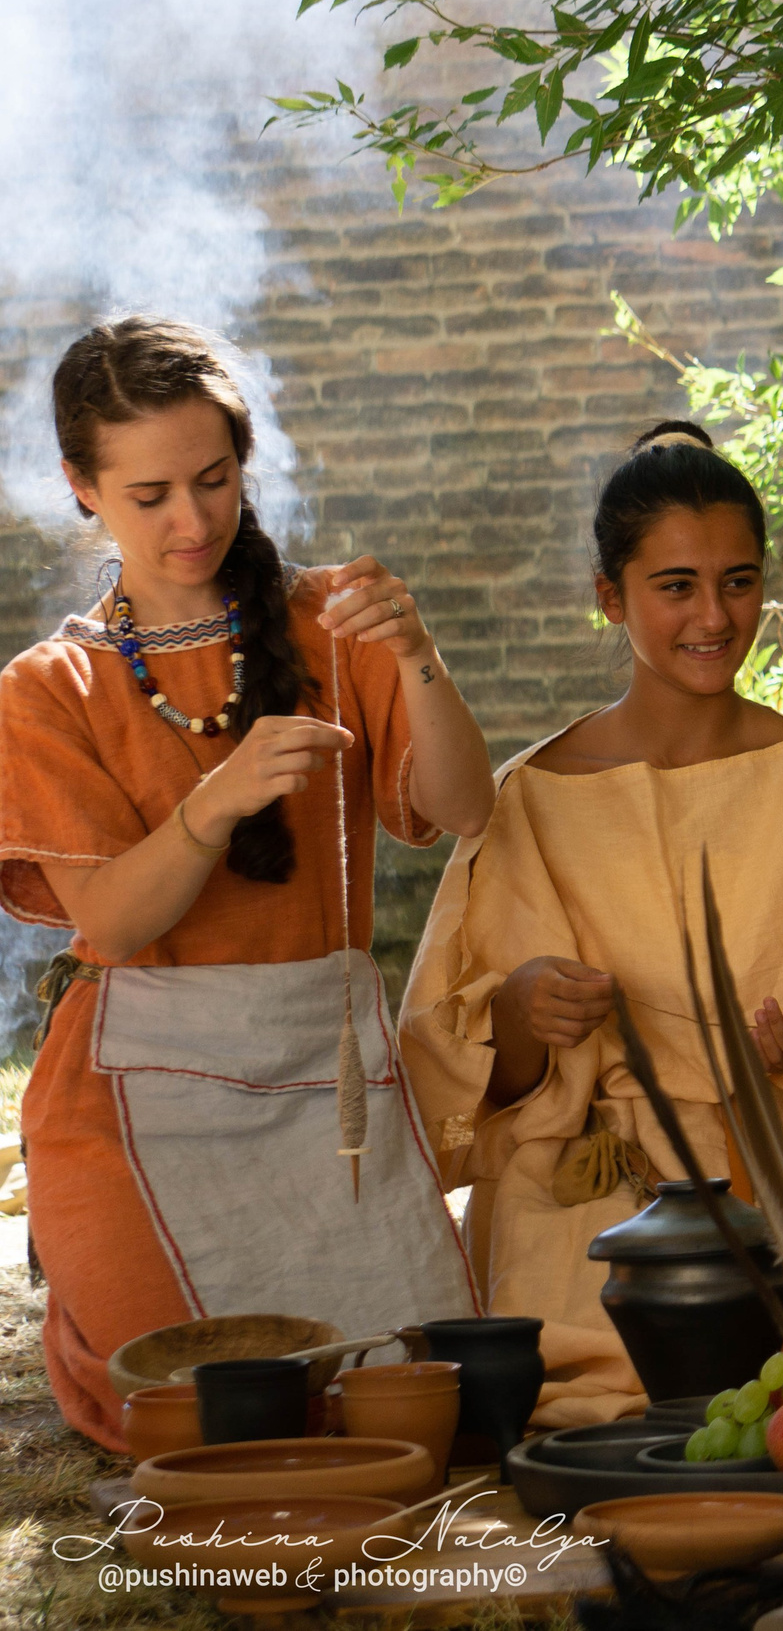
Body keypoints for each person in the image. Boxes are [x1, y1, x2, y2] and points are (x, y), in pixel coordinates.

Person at [400, 426, 783, 1428]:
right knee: (596, 1317)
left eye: (739, 581)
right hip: (603, 1175)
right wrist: (527, 1010)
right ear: (608, 598)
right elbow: (452, 1075)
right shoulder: (528, 799)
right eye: (675, 587)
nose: (714, 616)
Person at [0, 317, 496, 1448]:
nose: (190, 520)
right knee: (193, 1415)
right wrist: (214, 801)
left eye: (215, 479)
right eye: (150, 494)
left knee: (413, 1412)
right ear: (82, 487)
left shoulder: (337, 623)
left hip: (326, 1090)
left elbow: (467, 812)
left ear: (244, 455)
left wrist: (418, 654)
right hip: (127, 1109)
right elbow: (115, 926)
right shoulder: (47, 690)